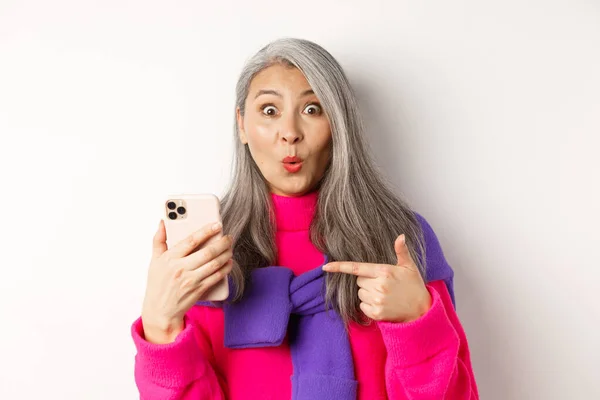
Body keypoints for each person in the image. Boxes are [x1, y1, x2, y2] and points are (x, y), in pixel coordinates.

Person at [131, 37, 479, 400]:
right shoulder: (206, 254)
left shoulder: (400, 241)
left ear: (339, 124)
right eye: (269, 111)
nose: (290, 133)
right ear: (242, 125)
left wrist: (416, 321)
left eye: (312, 109)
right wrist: (160, 327)